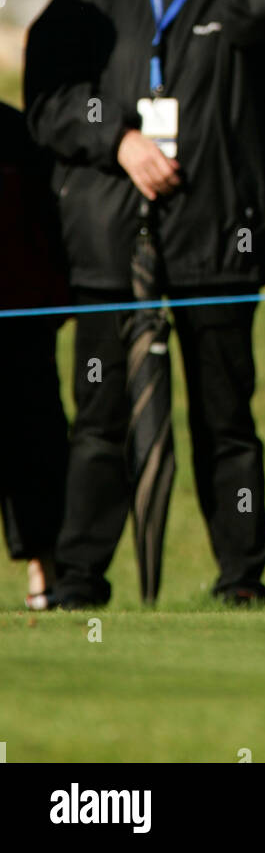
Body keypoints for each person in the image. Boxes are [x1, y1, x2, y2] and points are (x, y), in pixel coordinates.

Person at [25, 0, 265, 609]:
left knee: (225, 422)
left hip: (217, 233)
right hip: (109, 231)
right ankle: (77, 582)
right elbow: (48, 102)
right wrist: (120, 139)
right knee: (100, 420)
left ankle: (241, 582)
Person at [0, 102, 69, 608]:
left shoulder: (15, 132)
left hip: (20, 316)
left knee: (36, 441)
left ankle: (45, 573)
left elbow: (49, 225)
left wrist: (53, 299)